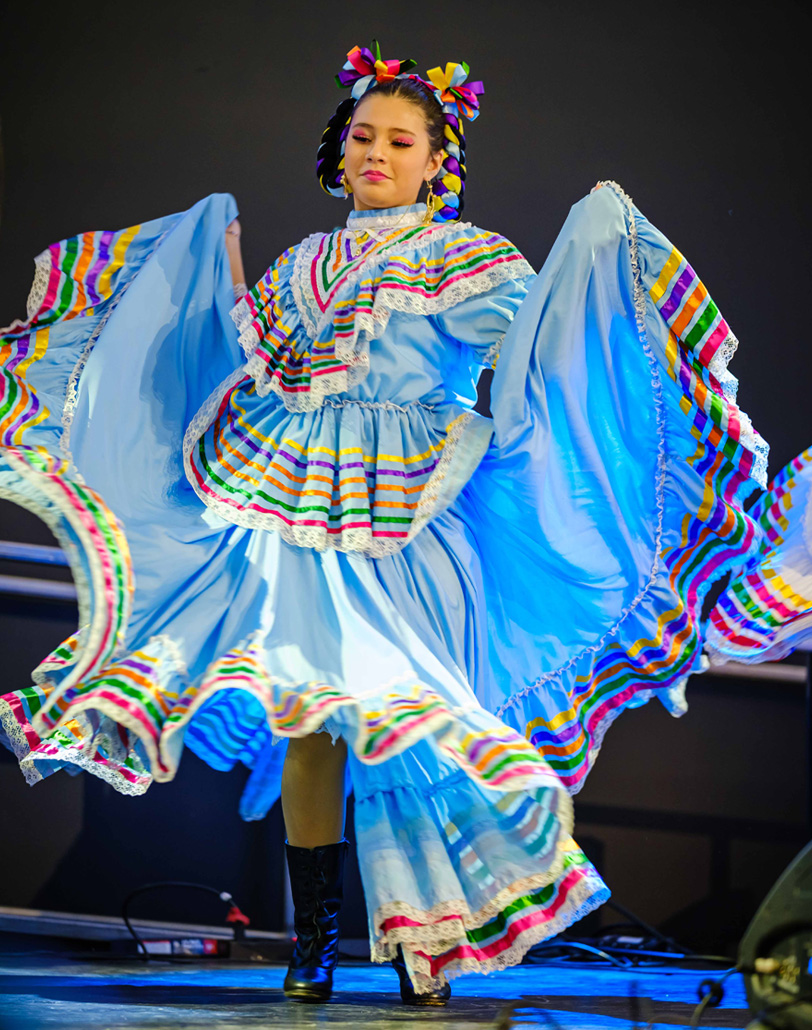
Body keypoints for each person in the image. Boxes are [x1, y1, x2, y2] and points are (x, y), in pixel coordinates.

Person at [0, 41, 772, 1005]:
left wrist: (595, 260)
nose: (376, 153)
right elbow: (249, 361)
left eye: (400, 140)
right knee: (314, 717)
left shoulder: (469, 257)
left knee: (411, 715)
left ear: (434, 160)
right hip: (290, 493)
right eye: (362, 135)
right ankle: (316, 939)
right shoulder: (304, 263)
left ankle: (429, 935)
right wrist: (209, 276)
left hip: (406, 509)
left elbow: (535, 349)